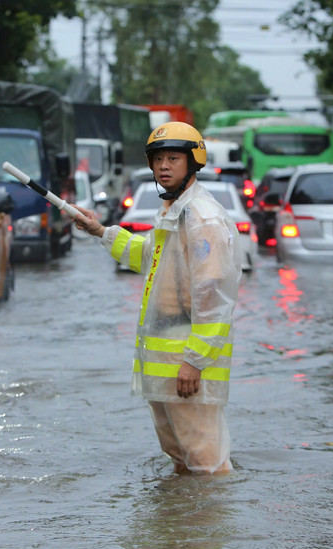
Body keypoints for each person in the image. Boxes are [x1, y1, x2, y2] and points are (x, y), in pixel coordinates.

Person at [70, 121, 242, 474]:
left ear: (193, 162)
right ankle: (179, 511)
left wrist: (194, 361)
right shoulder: (173, 210)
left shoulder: (202, 217)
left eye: (173, 159)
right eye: (158, 159)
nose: (163, 166)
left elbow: (213, 295)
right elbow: (150, 258)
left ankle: (212, 512)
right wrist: (100, 231)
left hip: (187, 361)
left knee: (205, 461)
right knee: (179, 456)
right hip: (165, 360)